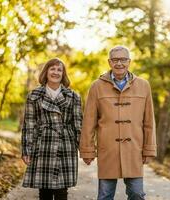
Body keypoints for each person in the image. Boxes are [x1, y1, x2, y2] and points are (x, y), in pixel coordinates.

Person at [79, 46, 157, 200]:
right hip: (108, 149)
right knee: (105, 195)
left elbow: (149, 121)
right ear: (109, 62)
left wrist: (149, 149)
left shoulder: (143, 85)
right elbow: (89, 122)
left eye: (123, 59)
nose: (119, 63)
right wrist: (87, 150)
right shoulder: (97, 86)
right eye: (115, 60)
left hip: (134, 148)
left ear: (129, 62)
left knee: (137, 194)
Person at [21, 58, 82, 200]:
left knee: (62, 191)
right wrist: (26, 150)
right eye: (52, 69)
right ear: (46, 72)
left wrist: (85, 150)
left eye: (59, 69)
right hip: (42, 145)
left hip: (65, 144)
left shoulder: (73, 96)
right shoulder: (34, 95)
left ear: (63, 74)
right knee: (45, 191)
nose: (56, 72)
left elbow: (78, 124)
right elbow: (29, 124)